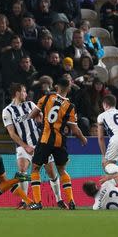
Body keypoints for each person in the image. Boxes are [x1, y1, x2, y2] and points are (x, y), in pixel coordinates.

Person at [2, 83, 67, 209]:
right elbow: (11, 133)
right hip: (23, 145)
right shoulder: (7, 111)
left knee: (52, 173)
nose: (26, 94)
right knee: (22, 171)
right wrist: (25, 146)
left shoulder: (30, 105)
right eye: (24, 91)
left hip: (40, 144)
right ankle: (25, 201)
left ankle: (59, 200)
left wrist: (40, 120)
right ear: (17, 93)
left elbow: (42, 120)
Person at [28, 78, 88, 209]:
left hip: (44, 140)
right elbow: (75, 129)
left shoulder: (46, 98)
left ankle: (38, 202)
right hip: (60, 142)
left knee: (35, 168)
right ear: (68, 89)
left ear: (57, 87)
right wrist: (83, 139)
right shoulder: (70, 106)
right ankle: (71, 201)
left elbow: (32, 115)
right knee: (62, 170)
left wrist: (39, 116)